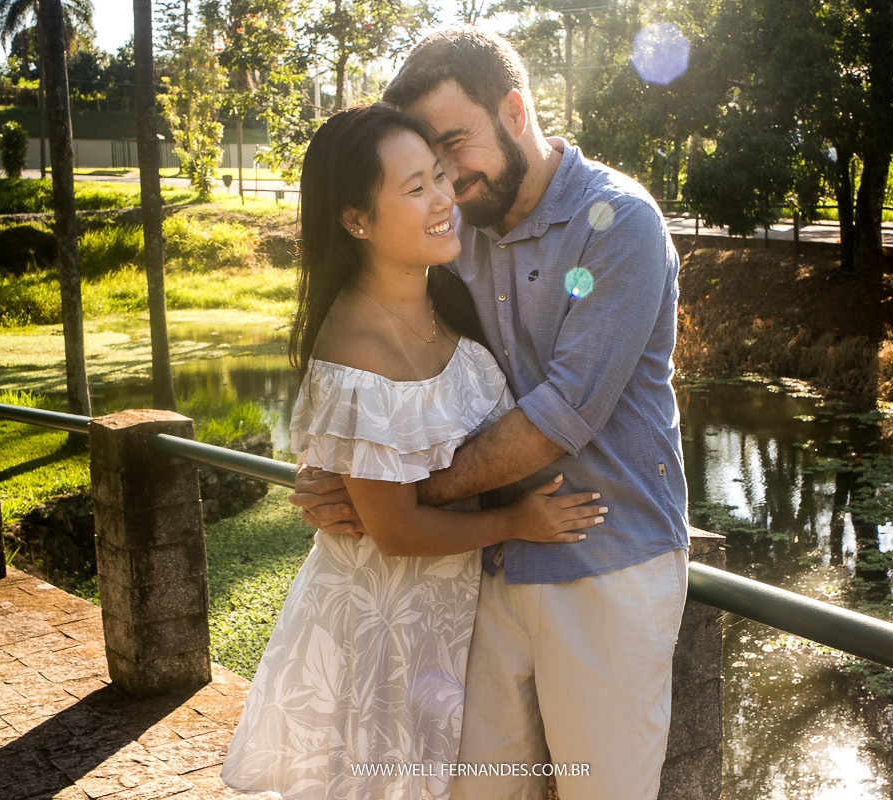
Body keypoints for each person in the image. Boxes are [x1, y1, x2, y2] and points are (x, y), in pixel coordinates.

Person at [291, 30, 691, 800]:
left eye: (455, 145)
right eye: (431, 166)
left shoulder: (619, 223)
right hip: (483, 569)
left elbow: (557, 416)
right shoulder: (453, 228)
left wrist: (399, 497)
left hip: (606, 561)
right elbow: (387, 369)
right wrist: (348, 468)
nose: (447, 180)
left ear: (515, 109)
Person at [219, 104, 606, 800]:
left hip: (445, 619)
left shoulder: (448, 290)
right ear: (356, 220)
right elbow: (393, 530)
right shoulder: (357, 353)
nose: (443, 200)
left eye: (438, 176)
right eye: (415, 188)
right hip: (381, 633)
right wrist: (519, 520)